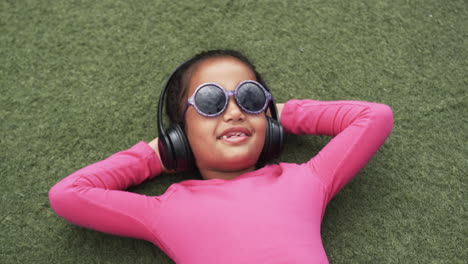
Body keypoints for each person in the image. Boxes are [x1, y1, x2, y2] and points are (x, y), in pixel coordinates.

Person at [49, 49, 393, 263]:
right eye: (212, 102)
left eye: (249, 97)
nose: (234, 113)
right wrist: (160, 153)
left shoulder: (306, 180)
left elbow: (374, 117)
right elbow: (68, 195)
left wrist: (278, 113)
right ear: (181, 133)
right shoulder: (166, 209)